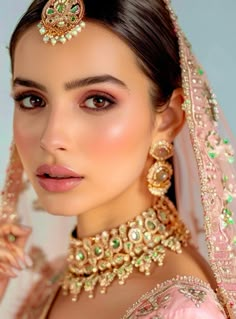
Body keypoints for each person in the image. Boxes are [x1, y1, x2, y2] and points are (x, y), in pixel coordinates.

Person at [0, 0, 236, 318]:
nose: (51, 138)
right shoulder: (54, 279)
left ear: (166, 120)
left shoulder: (182, 310)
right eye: (32, 99)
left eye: (98, 100)